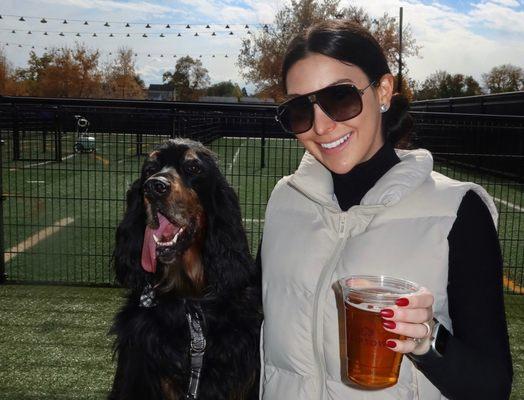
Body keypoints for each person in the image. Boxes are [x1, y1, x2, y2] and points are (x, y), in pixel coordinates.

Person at [257, 20, 512, 400]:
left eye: (340, 98)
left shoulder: (459, 211)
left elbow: (492, 385)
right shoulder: (284, 200)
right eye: (299, 110)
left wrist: (428, 340)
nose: (322, 126)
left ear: (383, 91)